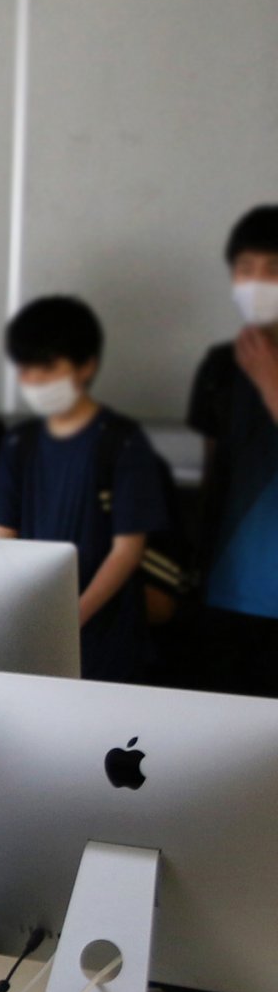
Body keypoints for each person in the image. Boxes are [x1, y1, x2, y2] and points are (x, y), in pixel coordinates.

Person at [0, 296, 171, 685]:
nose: (35, 380)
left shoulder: (121, 443)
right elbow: (4, 537)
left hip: (106, 634)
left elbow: (128, 549)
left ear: (86, 365)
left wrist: (73, 616)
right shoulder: (18, 443)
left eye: (48, 367)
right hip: (32, 626)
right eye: (25, 368)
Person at [184, 205, 278, 697]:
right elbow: (212, 471)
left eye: (272, 270)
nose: (257, 283)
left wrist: (271, 384)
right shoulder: (221, 365)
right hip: (226, 588)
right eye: (245, 269)